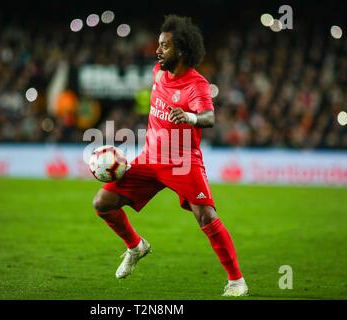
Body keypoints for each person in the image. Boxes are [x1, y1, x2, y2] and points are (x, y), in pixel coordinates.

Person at [92, 15, 248, 297]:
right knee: (103, 203)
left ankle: (237, 281)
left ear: (182, 50)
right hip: (150, 158)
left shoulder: (196, 85)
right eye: (159, 44)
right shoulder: (158, 73)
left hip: (182, 162)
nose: (158, 50)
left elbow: (209, 117)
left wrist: (189, 116)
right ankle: (136, 246)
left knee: (206, 217)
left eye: (164, 46)